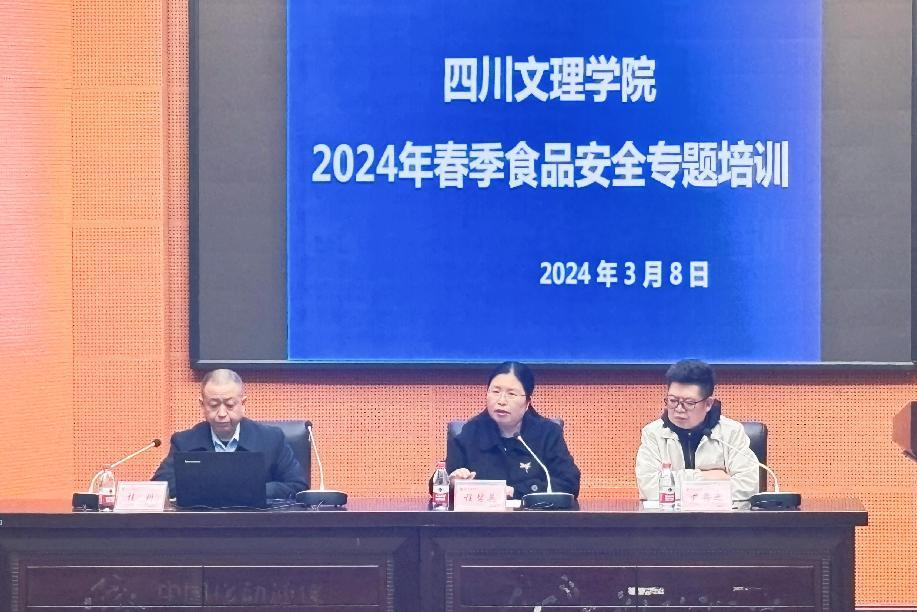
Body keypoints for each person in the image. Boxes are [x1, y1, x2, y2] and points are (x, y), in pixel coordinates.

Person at [152, 369, 307, 499]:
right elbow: (159, 486)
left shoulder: (271, 439)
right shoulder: (184, 442)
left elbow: (298, 486)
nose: (222, 413)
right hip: (203, 522)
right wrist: (221, 488)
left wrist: (254, 490)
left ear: (243, 404)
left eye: (230, 405)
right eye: (213, 405)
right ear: (202, 405)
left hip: (256, 522)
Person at [447, 361, 580, 499]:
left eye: (511, 394)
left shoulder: (547, 434)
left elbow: (569, 483)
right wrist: (452, 482)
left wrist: (516, 492)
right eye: (495, 392)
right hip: (483, 513)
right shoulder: (470, 433)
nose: (501, 401)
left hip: (534, 513)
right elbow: (439, 483)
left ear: (527, 402)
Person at [635, 359, 758, 504]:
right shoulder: (653, 433)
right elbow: (650, 489)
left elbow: (748, 486)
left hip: (719, 518)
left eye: (689, 403)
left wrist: (674, 483)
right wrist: (706, 477)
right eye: (673, 401)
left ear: (708, 404)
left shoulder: (731, 432)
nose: (679, 409)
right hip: (669, 517)